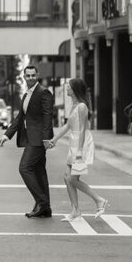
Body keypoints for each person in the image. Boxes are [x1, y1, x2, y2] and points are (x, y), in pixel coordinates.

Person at [0, 64, 55, 218]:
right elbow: (20, 118)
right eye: (28, 75)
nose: (30, 78)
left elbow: (47, 117)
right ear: (24, 77)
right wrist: (7, 135)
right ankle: (45, 208)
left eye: (33, 75)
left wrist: (46, 139)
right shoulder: (26, 95)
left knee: (24, 168)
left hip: (38, 140)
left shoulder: (44, 93)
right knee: (39, 172)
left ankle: (42, 202)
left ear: (37, 76)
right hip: (31, 138)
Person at [48, 78, 109, 221]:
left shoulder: (82, 107)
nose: (66, 89)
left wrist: (80, 152)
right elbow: (68, 126)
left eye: (68, 87)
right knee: (66, 177)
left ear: (74, 89)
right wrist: (54, 140)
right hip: (74, 143)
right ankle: (75, 210)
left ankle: (99, 200)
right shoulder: (73, 105)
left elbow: (82, 129)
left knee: (73, 179)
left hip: (82, 145)